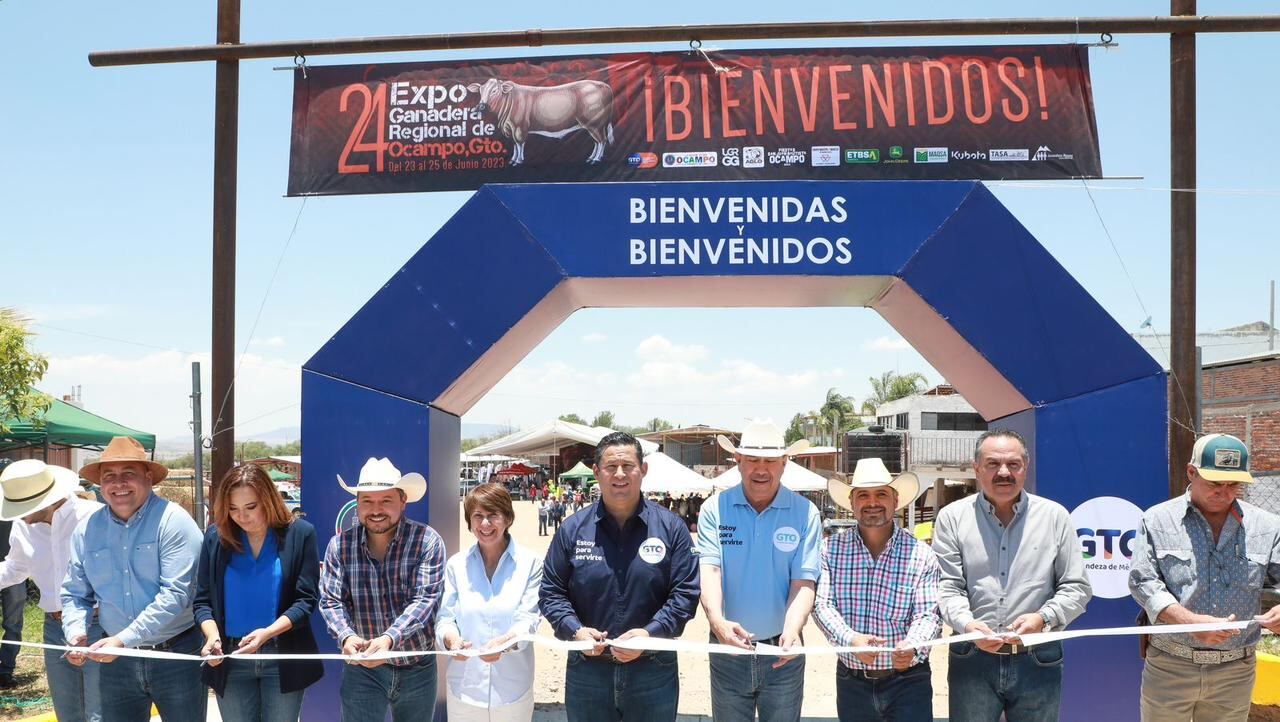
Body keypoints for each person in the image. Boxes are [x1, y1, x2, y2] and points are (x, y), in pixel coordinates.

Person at [931, 429, 1092, 722]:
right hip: (972, 658)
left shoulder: (1055, 517)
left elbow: (1077, 587)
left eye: (1013, 464)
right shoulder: (952, 518)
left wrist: (1043, 618)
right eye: (993, 464)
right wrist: (968, 626)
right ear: (976, 468)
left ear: (1025, 468)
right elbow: (947, 586)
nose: (1003, 472)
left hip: (1039, 657)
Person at [541, 432, 699, 721]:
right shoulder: (572, 530)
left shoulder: (672, 528)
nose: (620, 474)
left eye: (628, 466)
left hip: (653, 670)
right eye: (611, 467)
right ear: (596, 473)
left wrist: (650, 633)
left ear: (644, 470)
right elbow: (551, 593)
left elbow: (686, 594)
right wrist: (575, 630)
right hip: (588, 670)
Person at [1129, 433, 1280, 722]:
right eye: (1213, 483)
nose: (1224, 492)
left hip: (1234, 672)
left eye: (1234, 484)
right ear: (1191, 472)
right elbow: (1142, 581)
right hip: (1170, 666)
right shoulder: (1158, 520)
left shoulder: (1268, 527)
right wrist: (1189, 622)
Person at [61, 436, 207, 722]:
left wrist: (123, 640)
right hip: (116, 662)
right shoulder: (86, 530)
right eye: (109, 477)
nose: (118, 484)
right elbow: (75, 593)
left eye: (128, 474)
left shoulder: (174, 521)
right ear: (100, 485)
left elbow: (176, 594)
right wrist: (75, 632)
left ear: (148, 478)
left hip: (174, 655)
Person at [696, 419, 822, 722]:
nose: (761, 469)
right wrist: (717, 623)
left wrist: (792, 629)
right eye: (752, 460)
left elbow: (803, 582)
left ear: (784, 463)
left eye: (770, 461)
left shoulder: (806, 512)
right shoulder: (714, 509)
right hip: (728, 649)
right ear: (738, 462)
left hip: (783, 652)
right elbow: (710, 573)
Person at [318, 457, 446, 722]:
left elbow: (425, 600)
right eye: (367, 501)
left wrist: (388, 640)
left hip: (416, 667)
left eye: (385, 500)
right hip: (363, 669)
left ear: (403, 502)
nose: (376, 509)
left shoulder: (427, 541)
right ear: (357, 504)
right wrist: (346, 637)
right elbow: (331, 601)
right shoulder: (339, 546)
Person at [193, 464, 324, 722]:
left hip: (282, 658)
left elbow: (306, 601)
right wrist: (212, 639)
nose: (242, 517)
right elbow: (202, 602)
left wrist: (268, 633)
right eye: (233, 509)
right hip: (231, 659)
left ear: (269, 500)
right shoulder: (215, 538)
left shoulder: (301, 534)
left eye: (251, 507)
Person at [813, 459, 940, 722]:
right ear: (851, 502)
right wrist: (850, 639)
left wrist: (912, 646)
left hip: (908, 680)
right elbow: (822, 605)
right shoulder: (830, 550)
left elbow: (928, 615)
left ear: (896, 500)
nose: (872, 502)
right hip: (852, 681)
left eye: (881, 493)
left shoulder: (921, 554)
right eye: (863, 495)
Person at [0, 460, 103, 721]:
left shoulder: (96, 517)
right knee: (68, 712)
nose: (18, 514)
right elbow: (15, 568)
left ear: (46, 499)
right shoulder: (23, 525)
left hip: (100, 624)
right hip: (55, 626)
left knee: (100, 712)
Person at [437, 483, 542, 720]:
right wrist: (450, 640)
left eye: (493, 515)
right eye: (478, 516)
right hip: (464, 689)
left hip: (512, 692)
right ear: (469, 521)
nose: (485, 524)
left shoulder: (531, 563)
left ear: (507, 518)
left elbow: (529, 618)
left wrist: (507, 642)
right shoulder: (456, 565)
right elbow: (445, 618)